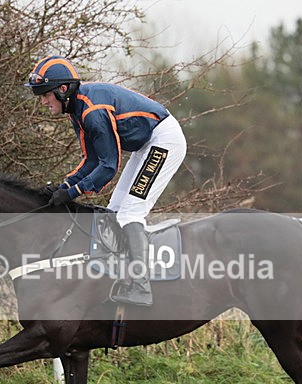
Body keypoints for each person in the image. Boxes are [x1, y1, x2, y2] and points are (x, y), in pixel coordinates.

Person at [25, 55, 187, 306]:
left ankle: (141, 288)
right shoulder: (77, 109)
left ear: (63, 89)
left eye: (45, 94)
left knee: (130, 213)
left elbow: (109, 167)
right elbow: (91, 161)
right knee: (114, 212)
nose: (43, 101)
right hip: (145, 145)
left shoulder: (92, 112)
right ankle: (122, 278)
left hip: (164, 140)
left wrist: (72, 192)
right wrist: (64, 186)